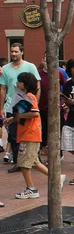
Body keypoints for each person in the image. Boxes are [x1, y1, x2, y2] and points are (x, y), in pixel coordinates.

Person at [4, 73, 52, 198]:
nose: (17, 83)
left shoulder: (30, 97)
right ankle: (56, 178)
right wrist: (13, 118)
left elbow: (35, 114)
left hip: (30, 134)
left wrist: (19, 116)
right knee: (33, 161)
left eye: (19, 81)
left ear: (25, 84)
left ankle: (31, 189)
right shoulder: (26, 97)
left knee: (24, 164)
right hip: (27, 134)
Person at [0, 43, 41, 172]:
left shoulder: (30, 66)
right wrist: (1, 107)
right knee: (13, 136)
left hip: (27, 105)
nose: (13, 54)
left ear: (22, 52)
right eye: (12, 51)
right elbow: (3, 88)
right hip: (11, 106)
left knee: (28, 133)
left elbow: (37, 86)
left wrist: (35, 104)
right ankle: (19, 162)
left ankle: (33, 159)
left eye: (16, 51)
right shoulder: (5, 69)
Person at [38, 53, 67, 156]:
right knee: (45, 132)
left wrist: (65, 102)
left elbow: (66, 86)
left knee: (56, 132)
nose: (47, 62)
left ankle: (58, 154)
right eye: (46, 60)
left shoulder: (58, 73)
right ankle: (47, 152)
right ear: (42, 61)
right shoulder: (38, 74)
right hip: (42, 108)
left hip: (57, 108)